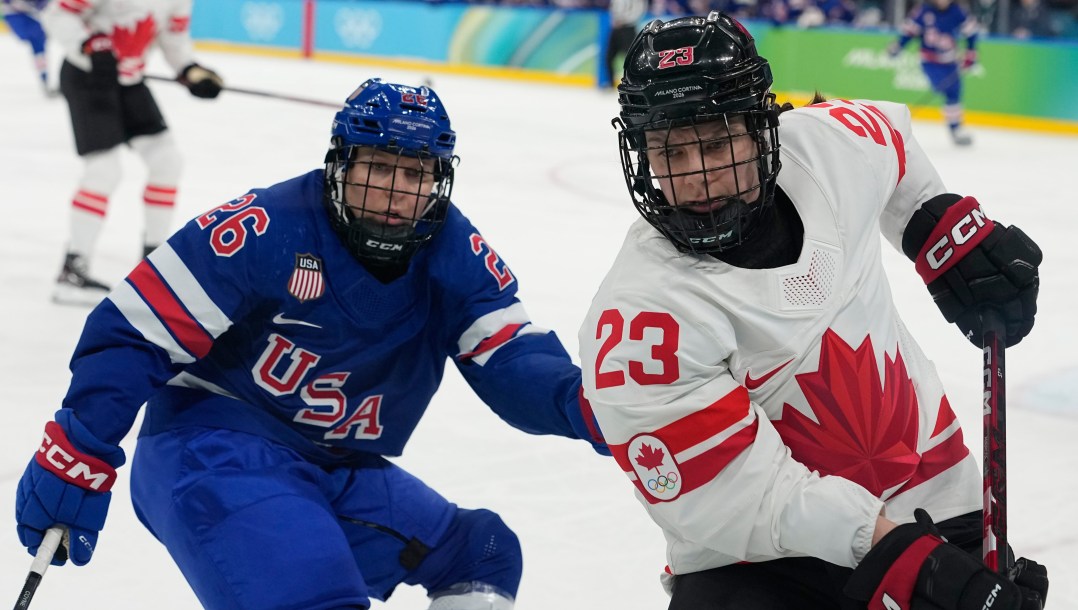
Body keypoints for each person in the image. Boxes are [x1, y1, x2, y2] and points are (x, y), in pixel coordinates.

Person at [15, 78, 607, 610]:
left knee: (482, 552)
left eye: (416, 173)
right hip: (213, 449)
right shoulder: (268, 225)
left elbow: (510, 354)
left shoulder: (451, 249)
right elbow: (135, 327)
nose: (397, 192)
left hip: (332, 466)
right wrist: (80, 445)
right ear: (341, 165)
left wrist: (595, 405)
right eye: (379, 167)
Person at [579, 11, 1048, 609]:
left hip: (929, 485)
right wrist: (905, 561)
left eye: (718, 142)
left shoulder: (828, 150)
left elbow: (892, 139)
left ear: (761, 128)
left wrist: (936, 223)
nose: (697, 177)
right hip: (762, 560)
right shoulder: (640, 319)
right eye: (669, 151)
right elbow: (741, 498)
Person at [41, 0, 224, 306]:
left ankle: (153, 268)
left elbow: (173, 41)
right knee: (104, 170)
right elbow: (57, 13)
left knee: (167, 161)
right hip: (89, 79)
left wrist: (191, 71)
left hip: (129, 81)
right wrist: (88, 43)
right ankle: (72, 270)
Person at [888, 0, 980, 146]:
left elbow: (971, 32)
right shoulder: (923, 11)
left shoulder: (957, 11)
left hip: (950, 61)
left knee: (955, 93)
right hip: (930, 62)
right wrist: (898, 46)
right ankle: (954, 128)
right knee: (946, 88)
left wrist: (971, 52)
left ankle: (955, 129)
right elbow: (910, 32)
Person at [1, 0, 52, 93]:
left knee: (39, 49)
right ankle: (44, 77)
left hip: (28, 17)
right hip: (18, 16)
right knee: (38, 45)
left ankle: (44, 77)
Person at [604, 0, 648, 89]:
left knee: (631, 58)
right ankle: (610, 83)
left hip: (627, 29)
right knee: (609, 56)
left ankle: (636, 83)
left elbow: (639, 11)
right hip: (616, 29)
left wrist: (624, 20)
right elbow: (613, 9)